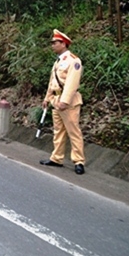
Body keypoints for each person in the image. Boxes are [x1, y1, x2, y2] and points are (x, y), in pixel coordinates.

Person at [40, 29, 86, 175]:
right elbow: (52, 82)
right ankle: (57, 158)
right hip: (56, 100)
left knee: (73, 131)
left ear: (64, 43)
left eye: (55, 42)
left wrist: (65, 101)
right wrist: (47, 98)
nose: (52, 45)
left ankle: (78, 161)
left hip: (69, 102)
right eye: (52, 43)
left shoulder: (74, 61)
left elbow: (72, 83)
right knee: (58, 131)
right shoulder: (58, 62)